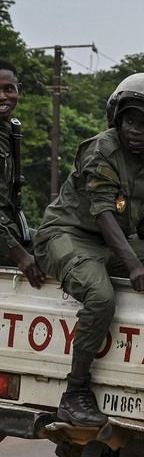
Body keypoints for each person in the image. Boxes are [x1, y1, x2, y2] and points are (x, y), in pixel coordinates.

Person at [33, 73, 144, 427]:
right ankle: (75, 393)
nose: (134, 129)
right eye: (129, 120)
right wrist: (133, 265)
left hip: (111, 242)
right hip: (67, 234)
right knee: (100, 297)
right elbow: (103, 213)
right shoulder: (101, 149)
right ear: (118, 118)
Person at [0, 60, 44, 287]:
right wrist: (20, 256)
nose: (3, 96)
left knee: (58, 244)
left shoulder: (9, 130)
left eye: (9, 89)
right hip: (5, 236)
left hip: (9, 227)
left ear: (19, 91)